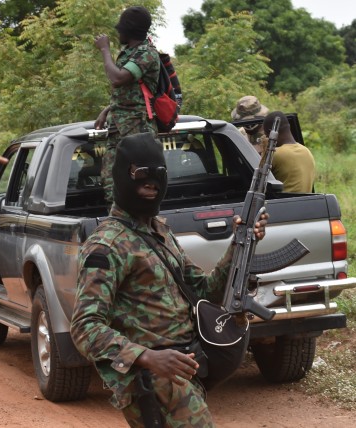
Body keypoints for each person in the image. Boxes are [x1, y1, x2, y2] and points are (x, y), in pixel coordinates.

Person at [70, 133, 268, 427]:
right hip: (152, 379)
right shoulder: (106, 246)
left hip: (185, 367)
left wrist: (240, 244)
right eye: (142, 175)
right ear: (122, 176)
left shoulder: (160, 232)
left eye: (159, 176)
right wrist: (147, 357)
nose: (152, 184)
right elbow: (84, 327)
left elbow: (204, 290)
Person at [94, 5, 160, 203]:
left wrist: (105, 49)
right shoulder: (131, 52)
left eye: (120, 29)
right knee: (111, 182)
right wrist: (108, 109)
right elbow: (131, 93)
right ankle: (118, 225)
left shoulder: (146, 54)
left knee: (139, 184)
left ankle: (140, 230)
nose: (117, 32)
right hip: (119, 128)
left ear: (128, 31)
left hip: (137, 129)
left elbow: (119, 78)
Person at [263, 111, 315, 193]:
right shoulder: (307, 151)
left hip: (282, 204)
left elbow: (259, 179)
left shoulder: (275, 154)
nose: (266, 138)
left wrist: (265, 149)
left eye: (266, 135)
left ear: (271, 133)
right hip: (304, 203)